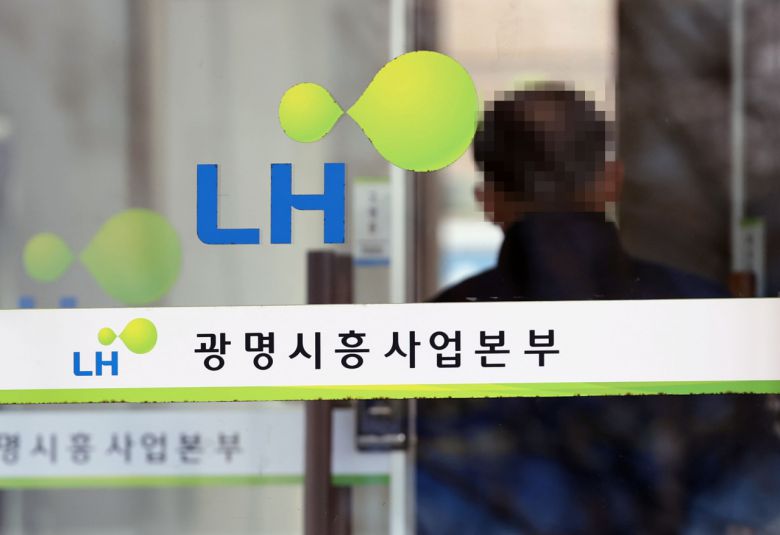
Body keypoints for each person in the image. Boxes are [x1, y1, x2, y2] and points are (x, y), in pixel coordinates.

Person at [417, 84, 778, 534]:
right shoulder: (705, 316)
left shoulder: (440, 335)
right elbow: (753, 494)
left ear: (487, 200)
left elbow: (422, 502)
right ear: (612, 181)